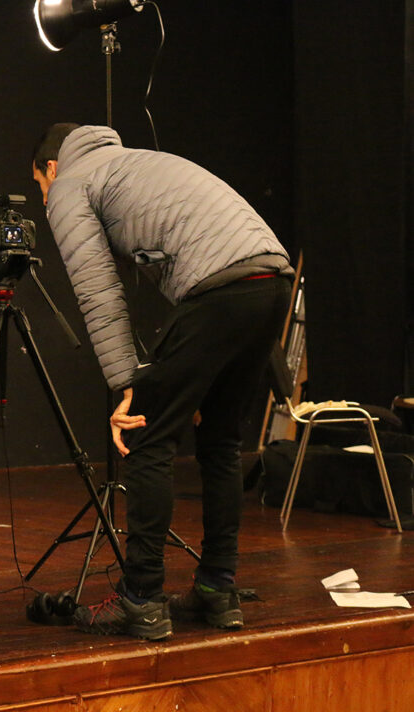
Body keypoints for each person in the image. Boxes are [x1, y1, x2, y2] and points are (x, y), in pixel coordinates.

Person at [30, 124, 293, 639]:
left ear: (52, 168)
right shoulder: (137, 162)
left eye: (40, 187)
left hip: (220, 287)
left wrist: (127, 383)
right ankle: (218, 590)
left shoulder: (70, 183)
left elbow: (97, 290)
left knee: (144, 433)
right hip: (270, 280)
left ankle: (142, 599)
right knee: (219, 441)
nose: (45, 200)